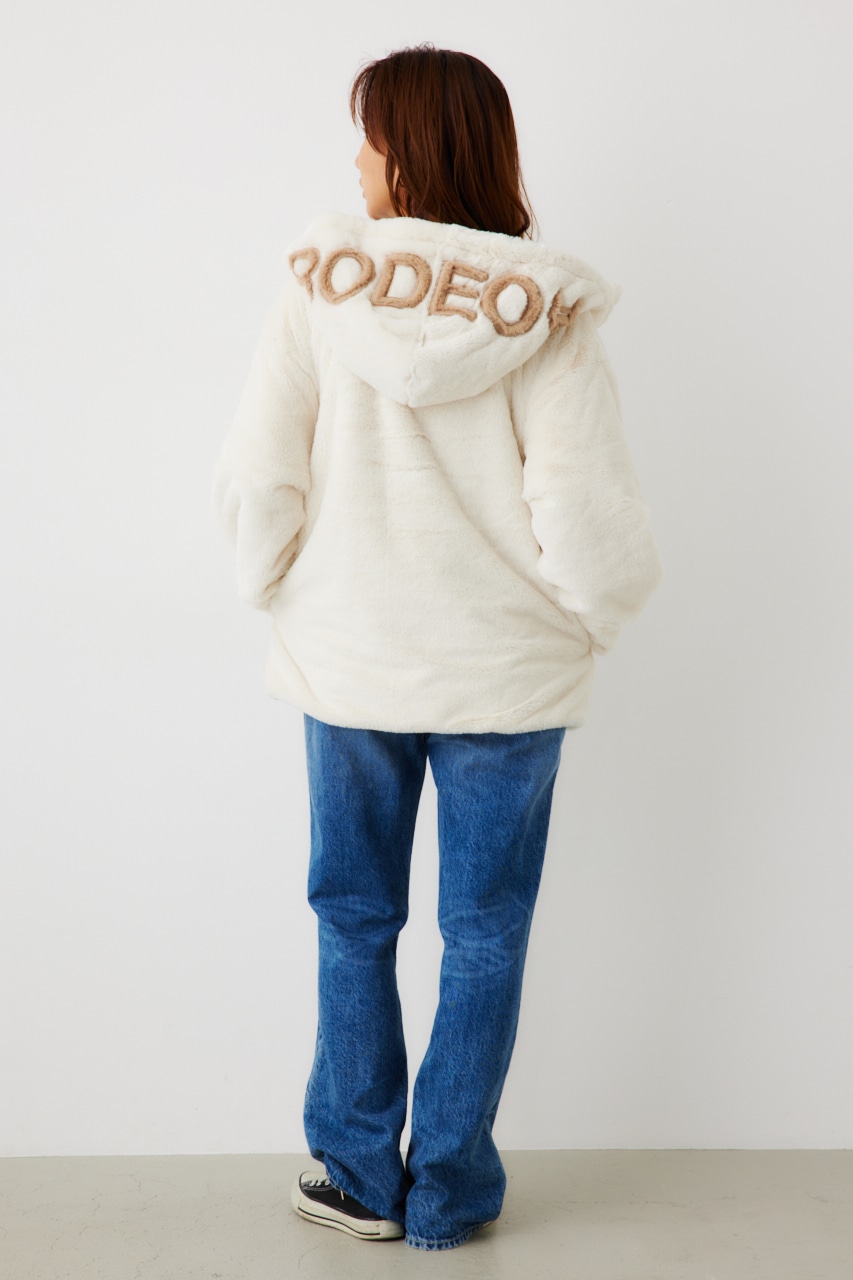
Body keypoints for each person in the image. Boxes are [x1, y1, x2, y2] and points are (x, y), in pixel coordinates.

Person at [211, 43, 663, 1252]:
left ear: (408, 155)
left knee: (353, 915)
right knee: (486, 930)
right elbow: (585, 509)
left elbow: (261, 471)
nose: (354, 162)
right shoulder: (544, 311)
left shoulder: (320, 288)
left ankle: (362, 1177)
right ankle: (450, 1191)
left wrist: (276, 586)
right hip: (506, 673)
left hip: (351, 656)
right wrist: (588, 619)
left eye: (367, 138)